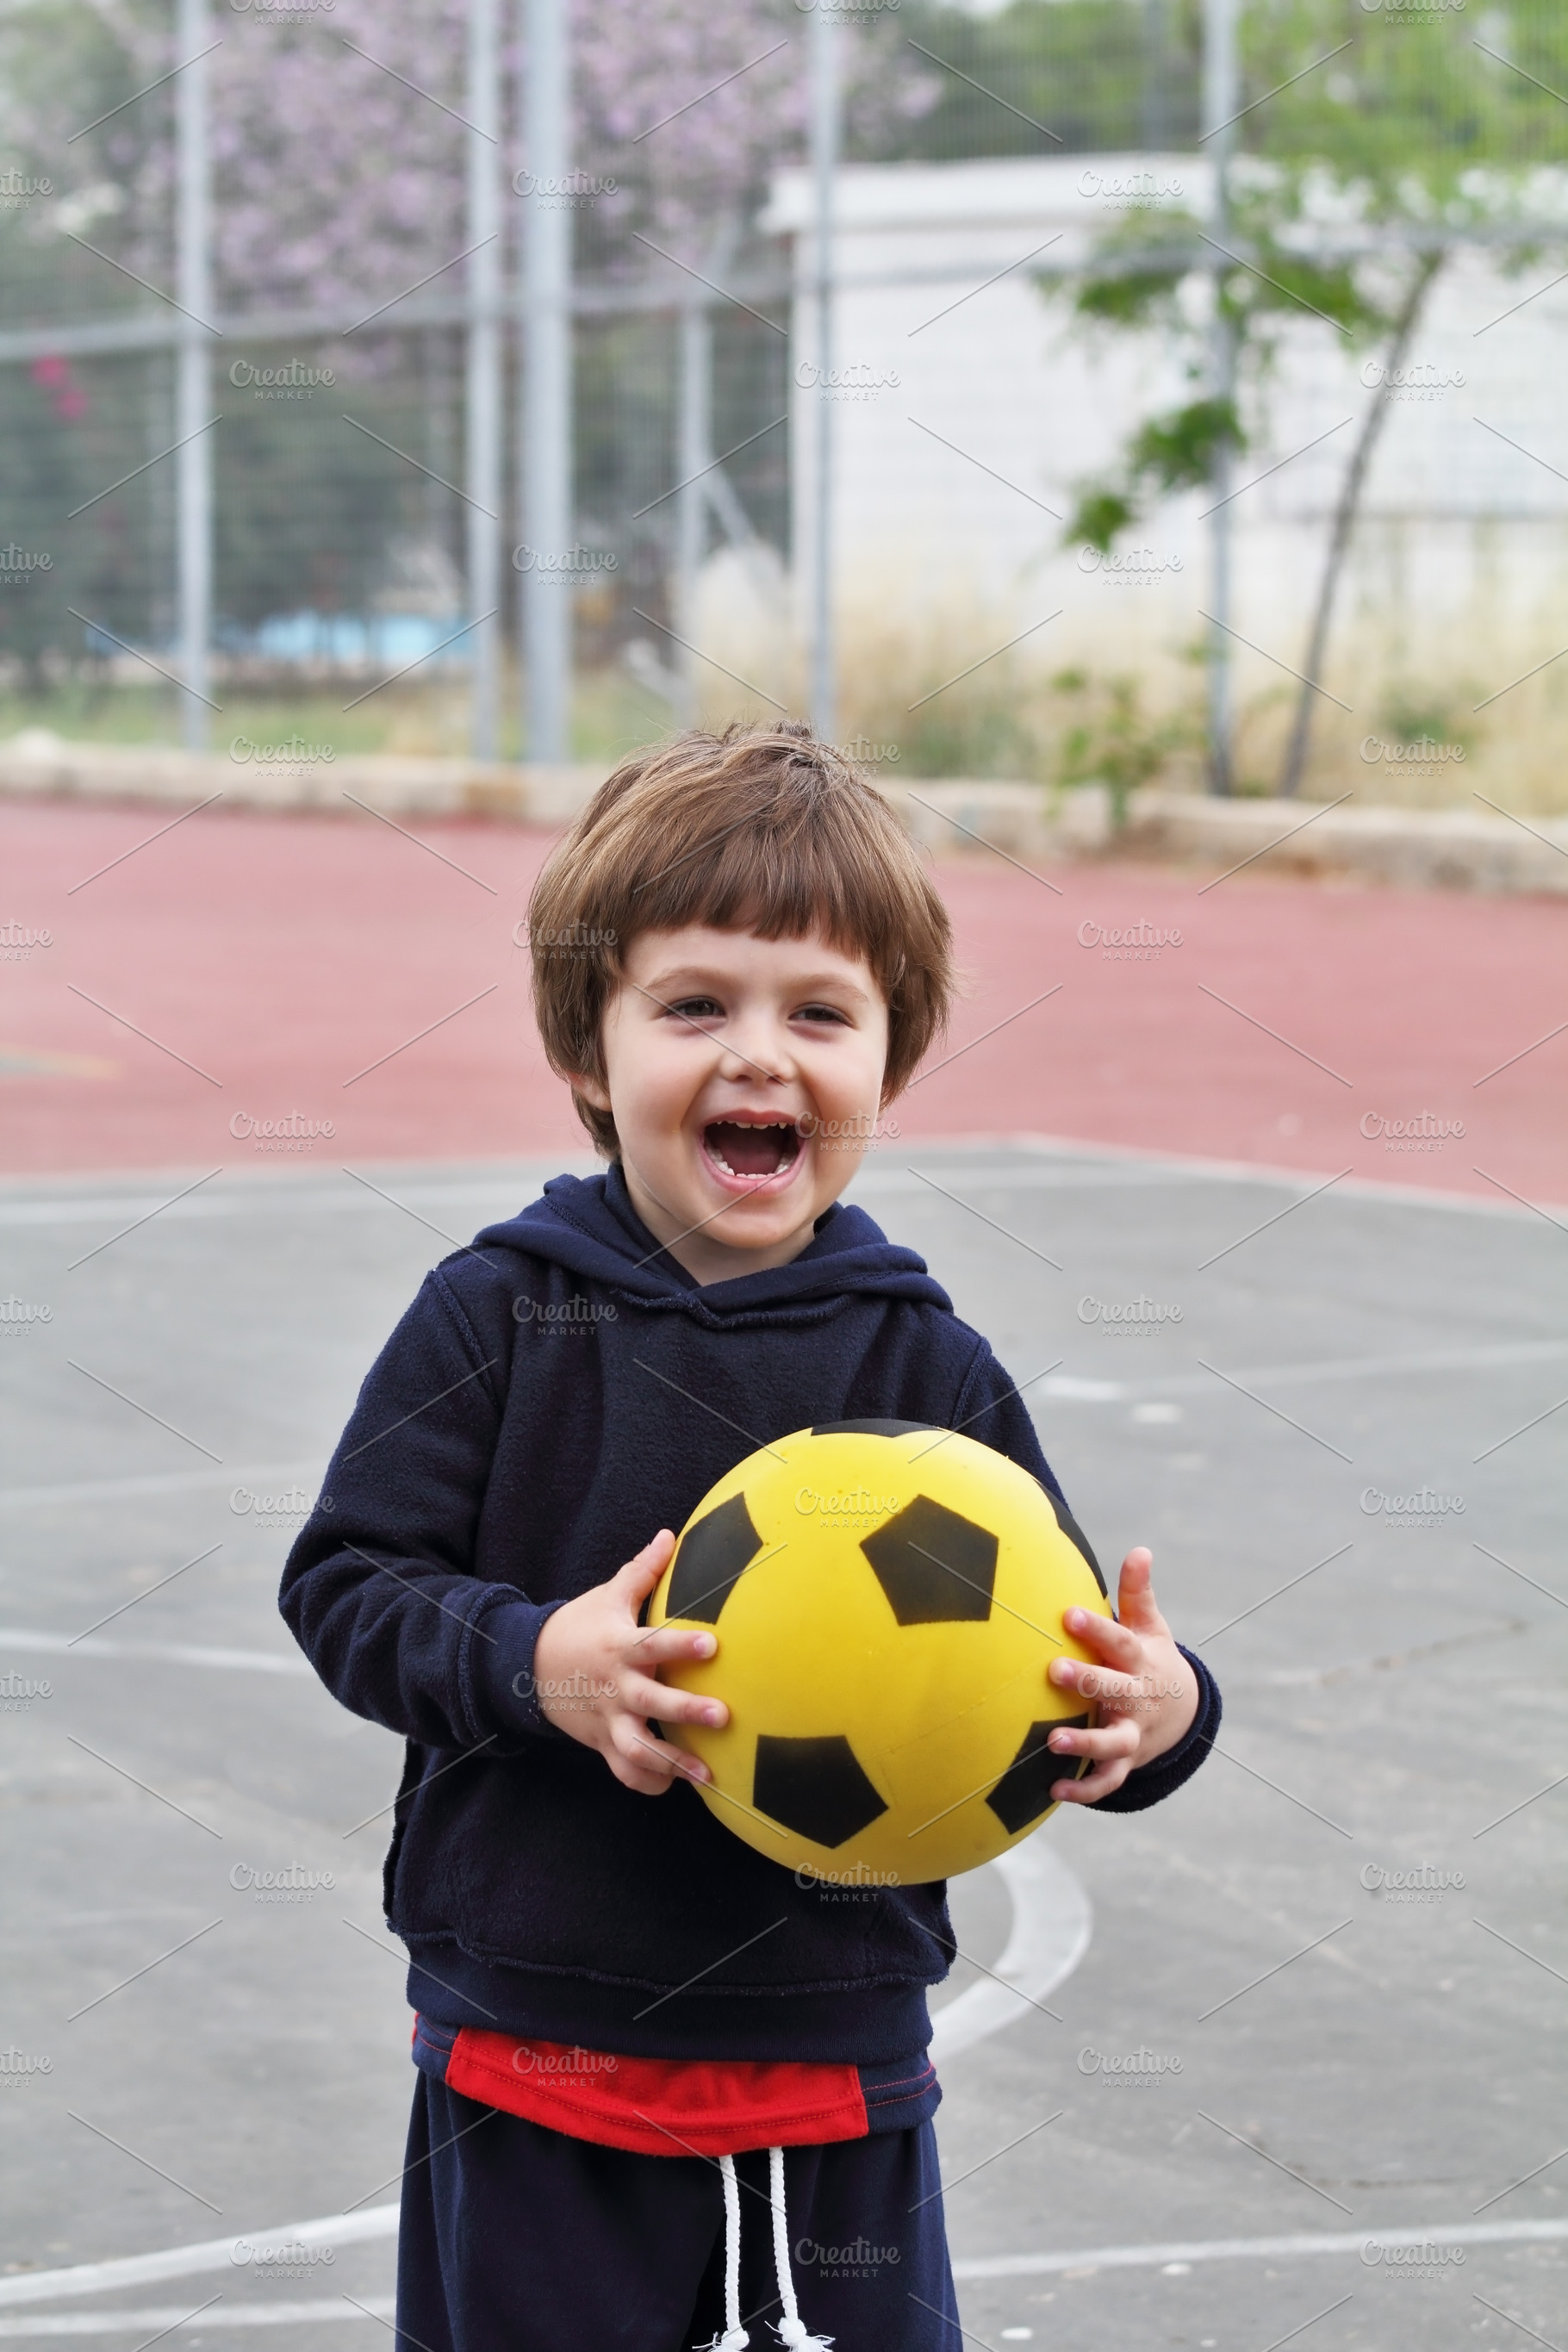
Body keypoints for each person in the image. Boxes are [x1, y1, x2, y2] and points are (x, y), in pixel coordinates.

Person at [281, 721, 1221, 2352]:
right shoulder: (496, 1315)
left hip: (828, 2050)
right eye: (696, 1005)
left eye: (820, 1012)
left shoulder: (928, 1372)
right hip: (537, 2046)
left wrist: (1162, 1707)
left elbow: (1059, 1672)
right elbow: (348, 1585)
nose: (760, 1056)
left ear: (890, 1063)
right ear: (589, 1049)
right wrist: (540, 1663)